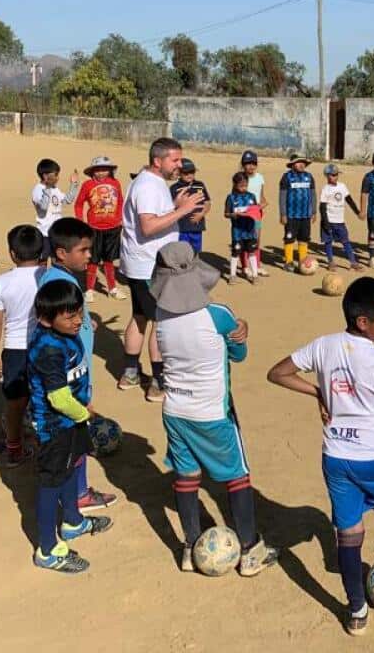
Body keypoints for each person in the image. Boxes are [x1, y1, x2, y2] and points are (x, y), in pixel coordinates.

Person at [268, 277, 374, 636]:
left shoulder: (323, 346)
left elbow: (277, 373)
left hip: (335, 458)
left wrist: (317, 392)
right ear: (363, 323)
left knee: (349, 534)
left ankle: (356, 612)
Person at [151, 242, 273, 575]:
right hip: (213, 412)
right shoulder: (219, 315)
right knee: (238, 476)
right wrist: (240, 332)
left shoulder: (160, 316)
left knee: (187, 475)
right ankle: (249, 549)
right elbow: (238, 355)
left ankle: (190, 546)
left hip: (175, 410)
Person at [28, 279, 113, 574]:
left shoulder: (66, 333)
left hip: (71, 423)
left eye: (80, 312)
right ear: (45, 319)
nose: (78, 321)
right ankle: (48, 550)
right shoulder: (48, 350)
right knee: (51, 483)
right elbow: (58, 397)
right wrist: (85, 415)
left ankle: (73, 522)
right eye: (70, 316)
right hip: (56, 427)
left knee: (73, 465)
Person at [41, 217, 119, 512]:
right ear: (61, 253)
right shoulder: (60, 282)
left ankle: (75, 491)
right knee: (76, 434)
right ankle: (79, 495)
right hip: (69, 374)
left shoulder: (60, 279)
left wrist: (88, 322)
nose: (89, 256)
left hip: (75, 370)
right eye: (84, 250)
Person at [119, 137, 206, 399]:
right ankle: (157, 382)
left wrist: (176, 205)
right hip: (150, 267)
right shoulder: (147, 186)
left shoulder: (152, 183)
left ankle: (130, 373)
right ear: (158, 161)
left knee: (139, 316)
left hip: (142, 264)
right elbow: (148, 226)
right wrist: (184, 210)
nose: (179, 165)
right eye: (175, 160)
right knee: (160, 322)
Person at [0, 225, 44, 468]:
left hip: (14, 349)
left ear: (12, 253)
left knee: (15, 402)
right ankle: (48, 447)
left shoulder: (2, 282)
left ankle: (14, 449)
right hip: (44, 346)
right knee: (47, 398)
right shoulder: (48, 277)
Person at [72, 156, 127, 301]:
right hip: (94, 228)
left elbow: (120, 201)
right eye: (98, 170)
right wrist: (81, 222)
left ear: (110, 171)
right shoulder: (87, 185)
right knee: (93, 260)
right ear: (92, 171)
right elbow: (78, 204)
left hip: (113, 228)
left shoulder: (116, 183)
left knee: (109, 260)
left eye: (105, 169)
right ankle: (89, 290)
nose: (102, 173)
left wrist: (120, 218)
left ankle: (112, 288)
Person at [319, 164, 362, 270]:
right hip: (329, 220)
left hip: (340, 221)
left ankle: (353, 262)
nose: (335, 177)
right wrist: (326, 224)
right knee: (328, 242)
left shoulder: (342, 186)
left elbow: (349, 200)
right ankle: (331, 262)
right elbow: (322, 207)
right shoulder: (325, 189)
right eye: (332, 175)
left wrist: (357, 212)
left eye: (336, 175)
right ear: (327, 176)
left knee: (345, 241)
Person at [279, 153, 317, 272]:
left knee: (304, 238)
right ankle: (289, 261)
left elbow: (313, 195)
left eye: (303, 162)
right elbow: (282, 196)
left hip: (305, 214)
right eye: (298, 162)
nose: (301, 164)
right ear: (292, 164)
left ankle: (302, 261)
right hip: (291, 215)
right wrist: (283, 213)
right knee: (289, 238)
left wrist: (314, 211)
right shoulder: (287, 177)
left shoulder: (309, 176)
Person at [31, 158, 80, 242]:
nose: (57, 178)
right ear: (45, 176)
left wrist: (73, 185)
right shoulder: (38, 190)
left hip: (57, 232)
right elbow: (43, 207)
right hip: (45, 234)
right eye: (56, 174)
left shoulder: (55, 189)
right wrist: (48, 187)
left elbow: (67, 200)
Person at [169, 158, 210, 254]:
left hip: (197, 226)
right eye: (186, 173)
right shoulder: (174, 188)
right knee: (182, 251)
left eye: (192, 172)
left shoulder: (200, 185)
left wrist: (202, 214)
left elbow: (207, 202)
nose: (189, 175)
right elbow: (170, 207)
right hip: (181, 227)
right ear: (179, 173)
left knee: (196, 251)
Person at [226, 172, 260, 283]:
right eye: (240, 185)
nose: (243, 187)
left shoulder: (251, 196)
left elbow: (256, 212)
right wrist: (234, 215)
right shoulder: (231, 198)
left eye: (245, 185)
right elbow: (226, 213)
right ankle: (232, 275)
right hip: (237, 231)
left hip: (250, 230)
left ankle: (255, 275)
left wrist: (257, 224)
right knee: (236, 252)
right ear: (235, 184)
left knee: (251, 252)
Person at [241, 150, 269, 276]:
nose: (250, 166)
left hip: (257, 213)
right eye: (247, 163)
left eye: (253, 163)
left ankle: (256, 265)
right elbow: (235, 196)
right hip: (244, 214)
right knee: (244, 240)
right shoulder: (240, 178)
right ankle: (245, 266)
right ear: (243, 165)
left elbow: (262, 196)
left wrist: (263, 204)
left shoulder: (260, 177)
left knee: (256, 240)